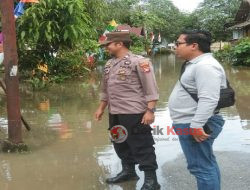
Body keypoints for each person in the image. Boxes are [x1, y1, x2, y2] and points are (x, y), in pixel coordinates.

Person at [94, 31, 160, 190]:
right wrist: (101, 108)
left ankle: (152, 180)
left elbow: (151, 89)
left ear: (119, 44)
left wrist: (150, 111)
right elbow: (105, 88)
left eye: (108, 44)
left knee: (142, 145)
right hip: (115, 112)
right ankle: (129, 171)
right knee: (120, 142)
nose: (106, 48)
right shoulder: (109, 64)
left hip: (135, 112)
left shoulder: (139, 62)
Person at [168, 30, 227, 190]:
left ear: (193, 45)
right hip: (191, 122)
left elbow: (209, 99)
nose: (175, 46)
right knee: (206, 164)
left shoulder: (205, 66)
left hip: (194, 124)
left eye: (179, 43)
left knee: (201, 168)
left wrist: (196, 125)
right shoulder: (196, 64)